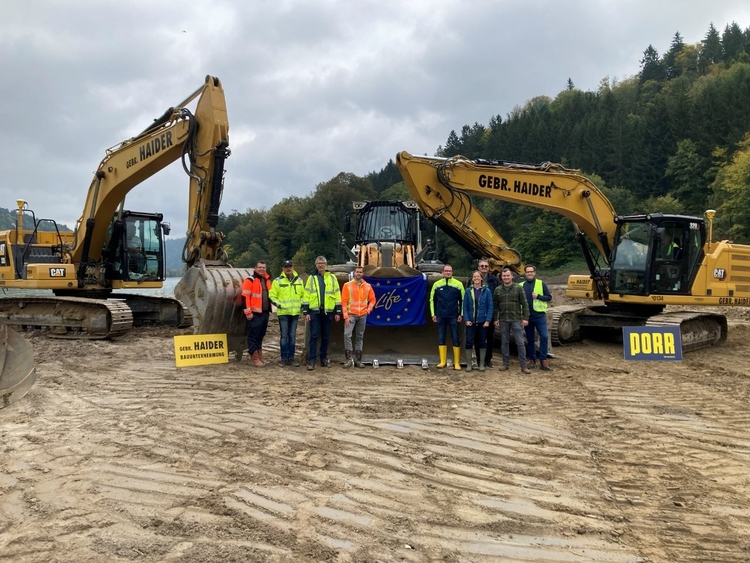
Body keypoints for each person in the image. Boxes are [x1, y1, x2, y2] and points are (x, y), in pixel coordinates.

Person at [302, 256, 342, 370]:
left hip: (328, 311)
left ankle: (323, 358)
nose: (320, 265)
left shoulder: (332, 278)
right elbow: (306, 295)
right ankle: (312, 360)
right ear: (316, 265)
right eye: (318, 263)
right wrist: (306, 311)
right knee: (314, 336)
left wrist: (338, 311)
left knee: (325, 336)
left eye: (322, 263)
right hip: (314, 311)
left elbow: (337, 295)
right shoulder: (311, 278)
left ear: (326, 265)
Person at [493, 267, 531, 374]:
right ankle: (505, 363)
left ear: (512, 276)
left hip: (516, 319)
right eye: (504, 276)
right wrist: (495, 318)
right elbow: (495, 306)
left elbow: (524, 304)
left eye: (507, 275)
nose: (506, 277)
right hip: (503, 319)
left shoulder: (518, 288)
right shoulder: (497, 290)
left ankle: (523, 365)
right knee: (504, 342)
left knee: (520, 342)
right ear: (501, 277)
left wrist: (525, 318)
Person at [269, 260, 304, 367]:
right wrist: (279, 305)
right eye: (286, 267)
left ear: (293, 267)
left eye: (290, 266)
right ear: (283, 268)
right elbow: (272, 296)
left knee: (292, 336)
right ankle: (284, 359)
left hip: (295, 313)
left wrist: (301, 305)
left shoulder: (299, 281)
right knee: (284, 336)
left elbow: (304, 295)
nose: (288, 268)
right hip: (283, 313)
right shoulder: (277, 281)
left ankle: (291, 359)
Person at [429, 264, 464, 370]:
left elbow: (463, 300)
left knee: (455, 337)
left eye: (450, 271)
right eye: (446, 271)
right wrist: (433, 314)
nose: (448, 272)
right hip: (441, 315)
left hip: (454, 315)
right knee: (441, 337)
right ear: (442, 272)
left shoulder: (458, 284)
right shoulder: (436, 284)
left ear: (452, 272)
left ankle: (456, 363)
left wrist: (461, 314)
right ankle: (442, 361)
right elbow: (432, 300)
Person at [341, 266, 376, 368]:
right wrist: (345, 316)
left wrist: (368, 309)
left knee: (359, 336)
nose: (359, 273)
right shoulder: (347, 285)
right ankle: (349, 359)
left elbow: (373, 299)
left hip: (362, 315)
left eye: (360, 272)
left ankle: (358, 360)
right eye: (357, 272)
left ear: (363, 274)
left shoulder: (368, 286)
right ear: (354, 273)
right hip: (351, 314)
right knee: (347, 335)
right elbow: (344, 302)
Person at [520, 264, 553, 371]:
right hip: (527, 317)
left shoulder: (541, 283)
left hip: (539, 316)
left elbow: (549, 297)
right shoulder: (520, 285)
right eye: (528, 272)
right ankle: (532, 359)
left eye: (531, 271)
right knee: (530, 339)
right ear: (525, 273)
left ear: (534, 272)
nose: (529, 273)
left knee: (544, 336)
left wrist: (538, 296)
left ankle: (543, 360)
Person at [242, 261, 272, 367]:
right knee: (253, 336)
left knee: (261, 335)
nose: (262, 269)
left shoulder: (267, 280)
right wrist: (248, 312)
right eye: (260, 267)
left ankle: (260, 356)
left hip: (265, 312)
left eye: (263, 267)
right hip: (255, 313)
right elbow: (245, 297)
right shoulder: (250, 280)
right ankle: (254, 357)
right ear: (255, 268)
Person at [463, 270, 493, 372]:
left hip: (482, 321)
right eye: (474, 276)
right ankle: (469, 364)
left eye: (478, 276)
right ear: (472, 279)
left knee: (482, 342)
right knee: (469, 342)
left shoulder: (487, 291)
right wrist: (466, 319)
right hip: (470, 321)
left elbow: (490, 307)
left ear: (481, 278)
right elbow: (465, 306)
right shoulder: (468, 291)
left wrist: (487, 320)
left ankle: (481, 364)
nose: (476, 278)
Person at [477, 259, 499, 367]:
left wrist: (496, 316)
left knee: (490, 337)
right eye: (482, 266)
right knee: (478, 338)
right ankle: (479, 359)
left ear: (489, 268)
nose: (484, 268)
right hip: (477, 313)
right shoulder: (473, 279)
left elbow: (497, 297)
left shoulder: (494, 280)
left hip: (491, 312)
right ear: (478, 267)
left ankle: (488, 359)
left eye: (486, 266)